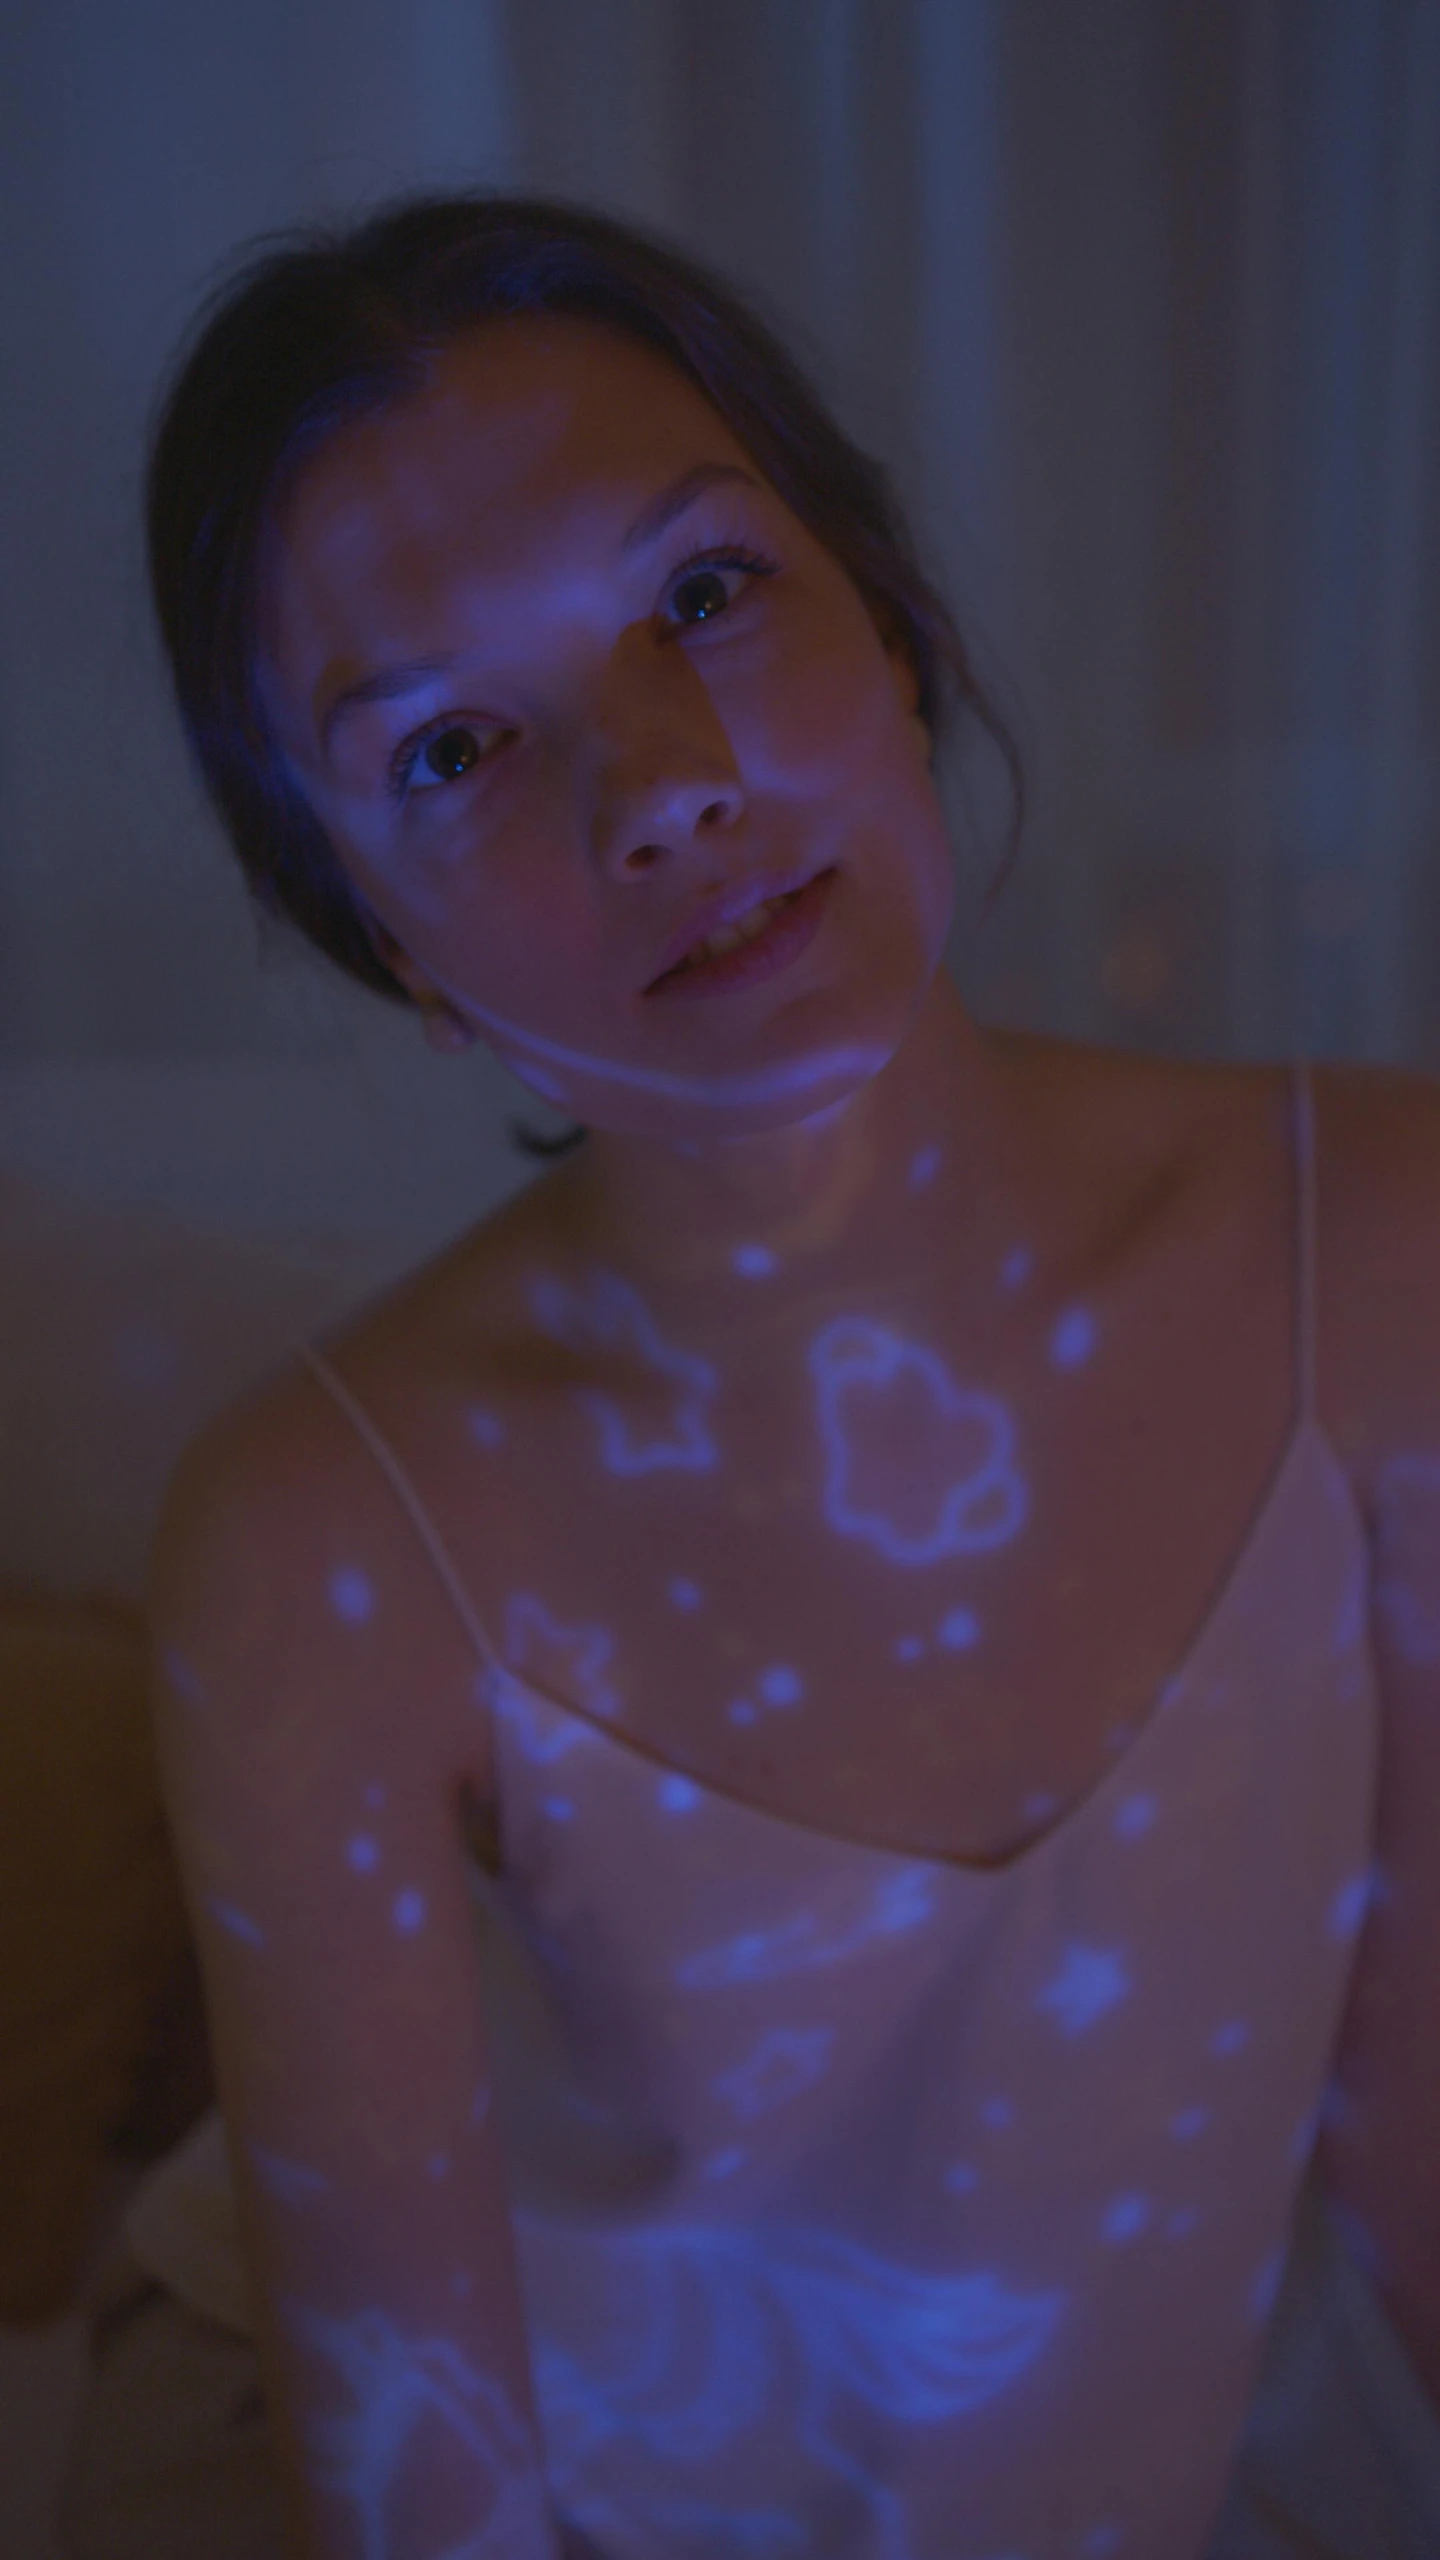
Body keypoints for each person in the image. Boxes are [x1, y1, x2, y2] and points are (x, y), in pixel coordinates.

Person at [55, 189, 1440, 2560]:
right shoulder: (319, 1534)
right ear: (391, 950)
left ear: (885, 618)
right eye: (457, 744)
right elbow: (417, 2480)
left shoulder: (1389, 1245)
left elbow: (1417, 2133)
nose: (664, 783)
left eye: (704, 594)